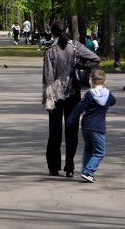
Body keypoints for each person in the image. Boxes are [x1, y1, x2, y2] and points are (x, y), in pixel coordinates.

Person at [42, 21, 99, 177]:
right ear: (66, 30)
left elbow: (48, 78)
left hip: (55, 94)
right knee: (71, 131)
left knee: (54, 132)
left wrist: (47, 100)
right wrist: (81, 66)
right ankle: (69, 167)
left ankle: (54, 167)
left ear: (52, 33)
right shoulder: (75, 47)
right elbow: (95, 58)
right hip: (73, 92)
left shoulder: (50, 51)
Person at [66, 68, 116, 183]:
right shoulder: (108, 94)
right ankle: (88, 171)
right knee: (99, 152)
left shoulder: (89, 94)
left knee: (88, 149)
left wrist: (71, 119)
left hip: (86, 126)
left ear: (91, 82)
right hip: (98, 128)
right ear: (105, 82)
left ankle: (86, 171)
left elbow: (79, 108)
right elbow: (113, 101)